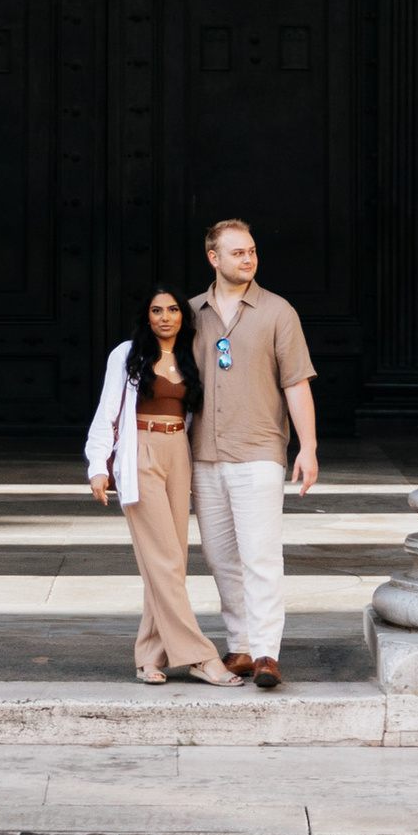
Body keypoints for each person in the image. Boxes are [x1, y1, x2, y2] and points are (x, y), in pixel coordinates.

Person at [188, 214, 317, 689]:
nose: (248, 259)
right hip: (203, 453)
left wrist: (309, 447)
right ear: (213, 257)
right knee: (221, 557)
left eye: (252, 251)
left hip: (259, 450)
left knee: (261, 556)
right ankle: (240, 646)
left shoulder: (277, 311)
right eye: (238, 252)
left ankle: (266, 652)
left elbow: (296, 382)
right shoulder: (191, 312)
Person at [84, 285, 236, 684]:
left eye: (172, 310)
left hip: (178, 454)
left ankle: (149, 657)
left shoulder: (192, 357)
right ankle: (200, 656)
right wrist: (98, 464)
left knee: (169, 563)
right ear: (146, 317)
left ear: (183, 317)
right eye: (156, 310)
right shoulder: (127, 354)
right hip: (141, 452)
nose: (164, 317)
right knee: (165, 561)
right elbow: (107, 411)